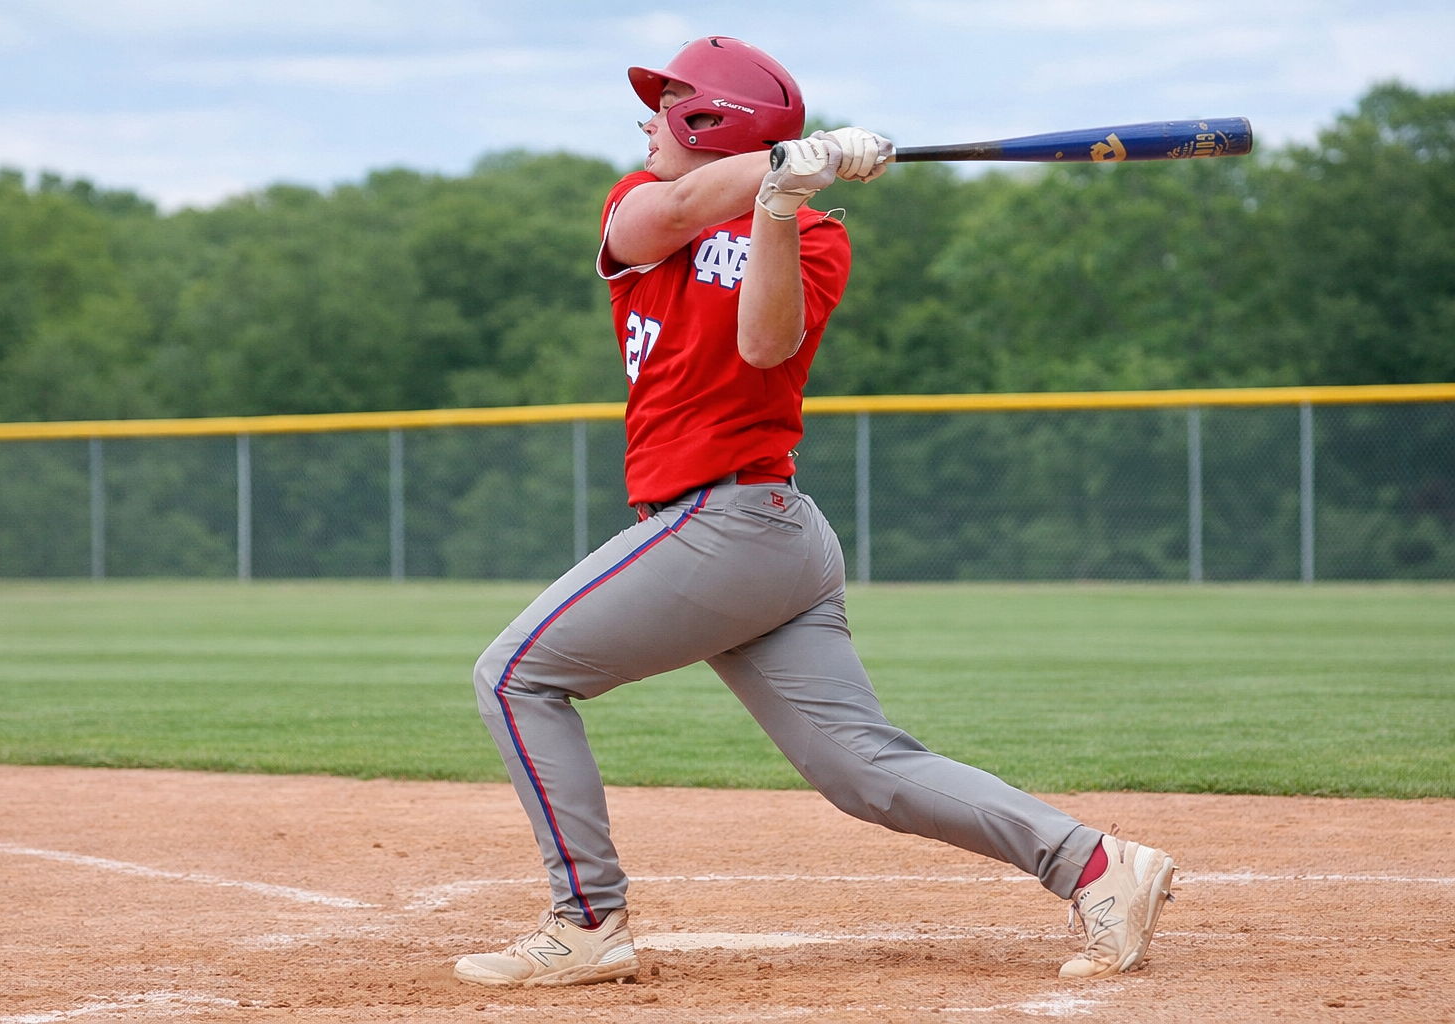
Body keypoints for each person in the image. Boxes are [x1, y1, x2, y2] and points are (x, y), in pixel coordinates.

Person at [453, 36, 1175, 990]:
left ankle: (586, 921)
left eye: (667, 106)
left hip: (738, 526)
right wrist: (788, 163)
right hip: (739, 537)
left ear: (711, 121)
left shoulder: (818, 234)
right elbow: (663, 213)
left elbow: (764, 346)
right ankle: (1091, 863)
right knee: (863, 772)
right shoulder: (639, 204)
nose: (646, 122)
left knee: (514, 676)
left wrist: (784, 204)